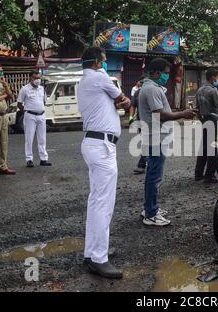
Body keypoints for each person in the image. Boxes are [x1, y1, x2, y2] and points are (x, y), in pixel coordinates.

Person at [77, 46, 131, 279]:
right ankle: (99, 258)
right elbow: (124, 100)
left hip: (94, 144)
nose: (106, 63)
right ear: (98, 62)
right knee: (103, 203)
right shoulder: (99, 78)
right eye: (105, 59)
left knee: (95, 201)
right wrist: (124, 102)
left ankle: (92, 252)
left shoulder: (85, 81)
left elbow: (114, 102)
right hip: (101, 147)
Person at [138, 58, 196, 226]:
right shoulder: (151, 89)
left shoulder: (150, 87)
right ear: (156, 72)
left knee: (152, 175)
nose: (166, 76)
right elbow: (160, 114)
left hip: (154, 136)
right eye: (165, 73)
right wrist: (183, 114)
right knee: (154, 176)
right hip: (155, 138)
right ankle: (151, 213)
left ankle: (149, 208)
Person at [17, 71, 51, 168]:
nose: (37, 80)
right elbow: (19, 104)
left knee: (42, 138)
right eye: (35, 78)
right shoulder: (25, 89)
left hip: (41, 115)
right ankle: (29, 159)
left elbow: (44, 101)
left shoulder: (42, 89)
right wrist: (27, 110)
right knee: (29, 138)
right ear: (30, 79)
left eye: (38, 78)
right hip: (30, 116)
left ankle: (43, 159)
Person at [130, 75, 147, 174]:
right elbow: (133, 106)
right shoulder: (137, 93)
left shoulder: (153, 91)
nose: (141, 83)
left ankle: (142, 164)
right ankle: (143, 164)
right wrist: (131, 117)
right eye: (141, 82)